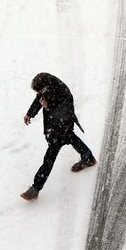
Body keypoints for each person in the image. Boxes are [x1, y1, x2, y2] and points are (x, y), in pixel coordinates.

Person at [20, 72, 96, 201]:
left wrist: (48, 107)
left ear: (45, 86)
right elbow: (39, 99)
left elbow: (62, 111)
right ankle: (88, 158)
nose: (40, 93)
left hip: (61, 126)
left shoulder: (59, 91)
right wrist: (29, 114)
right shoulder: (47, 87)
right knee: (71, 138)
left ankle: (35, 188)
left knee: (49, 157)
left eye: (41, 90)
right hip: (59, 127)